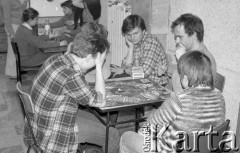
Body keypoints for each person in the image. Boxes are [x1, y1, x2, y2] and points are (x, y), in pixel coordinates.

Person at [24, 23, 119, 153]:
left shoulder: (56, 58)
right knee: (112, 135)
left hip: (39, 123)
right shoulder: (71, 76)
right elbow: (101, 100)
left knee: (104, 124)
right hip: (54, 132)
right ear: (89, 57)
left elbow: (78, 85)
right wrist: (99, 65)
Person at [120, 51, 225, 153]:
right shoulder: (220, 97)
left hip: (170, 150)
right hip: (204, 148)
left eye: (180, 74)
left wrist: (141, 134)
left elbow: (152, 124)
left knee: (126, 137)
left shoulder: (179, 100)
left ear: (185, 78)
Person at [113, 14, 168, 86]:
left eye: (135, 33)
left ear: (144, 31)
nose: (132, 37)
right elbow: (124, 65)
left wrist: (124, 71)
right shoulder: (135, 42)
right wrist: (131, 47)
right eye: (129, 34)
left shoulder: (150, 41)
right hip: (140, 82)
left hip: (155, 85)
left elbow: (144, 72)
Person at [171, 13, 217, 93]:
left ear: (194, 34)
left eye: (180, 37)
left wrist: (183, 60)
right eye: (176, 38)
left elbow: (196, 94)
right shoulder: (189, 52)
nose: (177, 41)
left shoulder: (204, 59)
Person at [1, 0, 29, 77]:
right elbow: (6, 18)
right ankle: (12, 73)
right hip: (12, 27)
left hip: (18, 25)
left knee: (18, 49)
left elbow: (21, 11)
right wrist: (11, 33)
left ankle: (17, 69)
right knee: (12, 49)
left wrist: (25, 3)